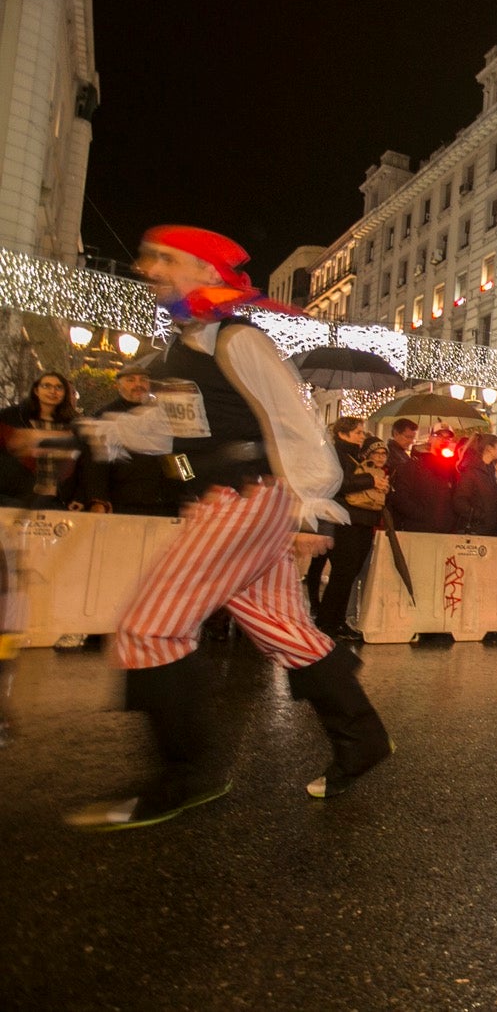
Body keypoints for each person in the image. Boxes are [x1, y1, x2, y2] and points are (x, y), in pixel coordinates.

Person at [68, 225, 390, 829]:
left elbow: (293, 421)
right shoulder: (180, 348)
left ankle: (188, 775)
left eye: (165, 259)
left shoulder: (240, 341)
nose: (148, 268)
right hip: (220, 497)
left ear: (208, 272)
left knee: (150, 630)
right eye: (149, 257)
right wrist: (88, 431)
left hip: (243, 499)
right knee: (285, 629)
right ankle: (363, 740)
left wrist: (308, 503)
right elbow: (167, 430)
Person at [308, 418, 385, 639]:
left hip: (360, 520)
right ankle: (328, 621)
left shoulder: (354, 455)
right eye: (358, 433)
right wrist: (371, 481)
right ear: (343, 434)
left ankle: (336, 620)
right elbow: (340, 484)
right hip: (345, 520)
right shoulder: (336, 455)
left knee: (348, 574)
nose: (362, 436)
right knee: (343, 572)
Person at [87, 363, 181, 517]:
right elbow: (96, 465)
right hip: (123, 502)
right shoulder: (105, 415)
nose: (138, 384)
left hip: (166, 501)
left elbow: (177, 455)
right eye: (130, 380)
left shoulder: (164, 414)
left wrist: (187, 490)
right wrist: (99, 499)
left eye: (143, 380)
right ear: (118, 386)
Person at [0, 372, 86, 509]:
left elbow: (84, 466)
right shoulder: (11, 417)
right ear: (36, 390)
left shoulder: (75, 424)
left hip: (58, 502)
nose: (53, 391)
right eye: (46, 386)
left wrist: (79, 497)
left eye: (59, 387)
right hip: (15, 500)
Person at [395, 424, 458, 533]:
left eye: (448, 438)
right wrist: (422, 516)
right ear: (430, 438)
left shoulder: (451, 469)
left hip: (445, 531)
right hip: (419, 529)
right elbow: (401, 497)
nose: (444, 440)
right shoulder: (414, 465)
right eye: (439, 436)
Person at [452, 432, 497, 536]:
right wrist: (478, 515)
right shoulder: (471, 471)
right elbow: (460, 500)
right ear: (489, 448)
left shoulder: (491, 471)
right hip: (476, 529)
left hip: (489, 528)